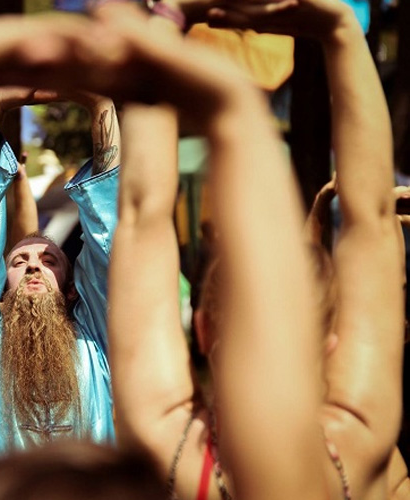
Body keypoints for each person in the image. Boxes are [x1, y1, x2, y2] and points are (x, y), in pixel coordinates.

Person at [105, 0, 405, 498]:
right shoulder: (361, 442)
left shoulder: (173, 451)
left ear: (202, 330)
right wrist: (341, 30)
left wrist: (167, 14)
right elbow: (372, 223)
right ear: (330, 346)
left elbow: (142, 216)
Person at [0, 85, 120, 476]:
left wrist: (99, 103)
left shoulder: (99, 344)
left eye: (49, 260)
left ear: (73, 287)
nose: (34, 266)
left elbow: (110, 240)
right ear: (1, 291)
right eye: (19, 261)